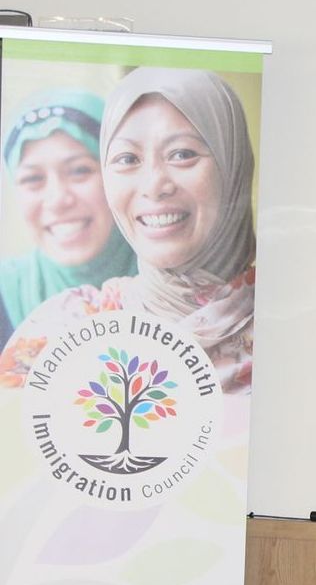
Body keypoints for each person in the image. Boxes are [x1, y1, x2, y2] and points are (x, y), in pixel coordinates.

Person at [0, 67, 255, 392]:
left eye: (182, 154)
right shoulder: (60, 330)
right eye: (127, 158)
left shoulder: (303, 323)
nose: (153, 185)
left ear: (233, 167)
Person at [0, 88, 136, 349]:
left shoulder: (178, 292)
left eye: (79, 171)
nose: (58, 200)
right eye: (32, 179)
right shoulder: (6, 294)